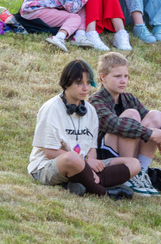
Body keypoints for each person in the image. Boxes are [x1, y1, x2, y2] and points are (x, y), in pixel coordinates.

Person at [28, 59, 140, 196]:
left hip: (84, 163)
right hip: (47, 166)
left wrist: (90, 161)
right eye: (79, 83)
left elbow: (92, 148)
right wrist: (86, 163)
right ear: (66, 83)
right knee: (72, 158)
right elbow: (50, 153)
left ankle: (81, 183)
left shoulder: (90, 110)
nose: (85, 88)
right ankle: (102, 191)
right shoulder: (51, 108)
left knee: (134, 164)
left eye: (88, 83)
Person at [89, 52, 161, 196]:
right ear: (103, 77)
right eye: (117, 76)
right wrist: (152, 134)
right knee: (131, 115)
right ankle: (128, 175)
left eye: (126, 76)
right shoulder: (96, 101)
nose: (123, 81)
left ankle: (140, 173)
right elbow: (116, 125)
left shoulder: (128, 98)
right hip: (105, 157)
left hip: (127, 149)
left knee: (156, 116)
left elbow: (159, 122)